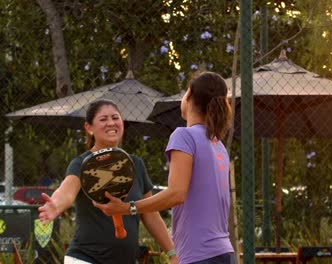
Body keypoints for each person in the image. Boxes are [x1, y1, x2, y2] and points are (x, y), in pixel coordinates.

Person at [95, 72, 236, 264]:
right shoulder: (217, 145)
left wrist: (127, 208)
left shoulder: (184, 136)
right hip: (224, 253)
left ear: (188, 96)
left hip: (199, 255)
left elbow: (176, 194)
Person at [38, 99, 178, 264]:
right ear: (89, 128)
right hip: (85, 259)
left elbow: (150, 213)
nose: (111, 123)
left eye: (115, 118)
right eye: (103, 119)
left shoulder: (136, 165)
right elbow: (66, 191)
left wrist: (173, 253)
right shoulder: (81, 163)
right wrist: (56, 204)